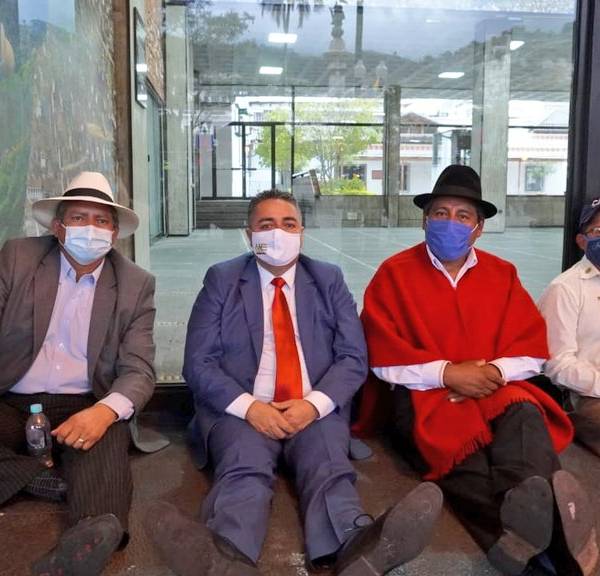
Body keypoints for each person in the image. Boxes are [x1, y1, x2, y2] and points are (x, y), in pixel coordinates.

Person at [145, 189, 443, 576]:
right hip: (244, 409)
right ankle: (226, 556)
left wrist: (313, 405)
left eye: (289, 224)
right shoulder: (223, 279)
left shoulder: (328, 279)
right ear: (249, 234)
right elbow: (198, 363)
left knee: (329, 467)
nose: (278, 233)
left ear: (302, 232)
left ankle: (357, 548)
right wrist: (251, 408)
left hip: (311, 405)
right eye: (266, 225)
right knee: (243, 469)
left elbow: (353, 357)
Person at [353, 165, 598, 576]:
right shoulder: (394, 274)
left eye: (462, 215)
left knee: (524, 418)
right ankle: (559, 547)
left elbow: (532, 348)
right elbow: (382, 356)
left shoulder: (502, 274)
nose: (450, 222)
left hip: (494, 387)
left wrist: (495, 372)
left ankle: (524, 531)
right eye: (440, 213)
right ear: (425, 220)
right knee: (464, 462)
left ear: (478, 228)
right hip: (423, 396)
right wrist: (447, 373)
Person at [0, 172, 156, 576]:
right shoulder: (17, 258)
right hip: (11, 399)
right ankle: (39, 476)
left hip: (84, 403)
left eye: (101, 220)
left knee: (108, 442)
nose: (91, 228)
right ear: (58, 227)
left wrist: (103, 412)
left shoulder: (135, 284)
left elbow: (138, 368)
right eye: (79, 218)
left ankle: (90, 536)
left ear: (115, 233)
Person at [539, 197, 600, 458]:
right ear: (582, 241)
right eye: (598, 230)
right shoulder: (564, 289)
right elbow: (557, 364)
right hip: (587, 394)